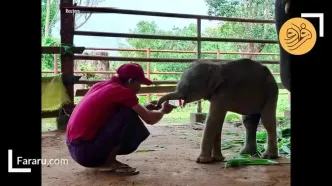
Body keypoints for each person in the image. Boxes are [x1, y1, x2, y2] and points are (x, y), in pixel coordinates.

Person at [66, 63, 177, 176]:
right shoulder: (122, 91)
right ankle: (108, 162)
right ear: (130, 80)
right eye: (139, 83)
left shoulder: (101, 85)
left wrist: (145, 107)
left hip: (75, 149)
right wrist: (163, 111)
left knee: (127, 110)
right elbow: (150, 119)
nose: (139, 88)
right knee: (128, 113)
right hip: (87, 154)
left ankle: (104, 159)